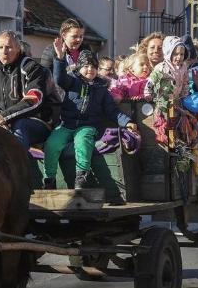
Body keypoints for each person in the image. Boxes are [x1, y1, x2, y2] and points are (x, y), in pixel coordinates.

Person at [44, 44, 137, 189]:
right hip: (66, 124)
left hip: (87, 126)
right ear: (79, 68)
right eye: (86, 66)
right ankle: (49, 179)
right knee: (52, 144)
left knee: (82, 142)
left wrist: (127, 122)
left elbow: (112, 111)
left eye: (93, 67)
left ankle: (81, 176)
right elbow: (59, 78)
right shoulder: (72, 82)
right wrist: (60, 59)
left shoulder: (101, 89)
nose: (90, 69)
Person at [0, 30, 53, 148]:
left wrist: (5, 117)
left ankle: (17, 166)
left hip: (35, 121)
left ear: (18, 48)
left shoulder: (32, 68)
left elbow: (33, 100)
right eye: (0, 47)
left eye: (9, 47)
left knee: (20, 126)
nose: (4, 51)